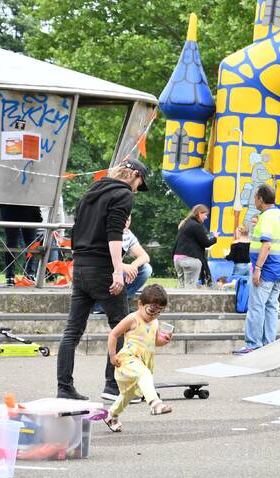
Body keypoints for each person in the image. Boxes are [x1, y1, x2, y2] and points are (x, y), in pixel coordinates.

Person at [56, 159, 148, 401]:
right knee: (123, 325)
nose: (137, 189)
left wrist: (80, 260)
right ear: (135, 175)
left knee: (72, 331)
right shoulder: (123, 194)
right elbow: (114, 234)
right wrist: (118, 270)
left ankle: (64, 388)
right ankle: (113, 386)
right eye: (139, 183)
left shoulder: (90, 192)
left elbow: (76, 232)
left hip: (81, 267)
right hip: (103, 268)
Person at [103, 284, 174, 431]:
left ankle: (111, 415)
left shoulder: (154, 322)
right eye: (151, 311)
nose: (154, 315)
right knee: (144, 374)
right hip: (128, 360)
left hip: (143, 362)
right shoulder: (132, 318)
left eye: (159, 312)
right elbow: (113, 334)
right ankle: (155, 404)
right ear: (140, 304)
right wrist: (112, 355)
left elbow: (154, 342)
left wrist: (165, 340)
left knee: (127, 395)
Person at [233, 185, 280, 355]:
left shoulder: (266, 217)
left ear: (260, 199)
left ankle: (253, 344)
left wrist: (257, 268)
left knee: (256, 306)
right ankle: (269, 344)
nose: (254, 200)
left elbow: (266, 245)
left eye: (255, 198)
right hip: (278, 269)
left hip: (265, 270)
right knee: (271, 307)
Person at [173, 204, 216, 288]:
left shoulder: (185, 223)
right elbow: (206, 243)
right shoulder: (196, 225)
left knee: (181, 287)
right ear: (200, 213)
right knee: (190, 288)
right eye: (205, 214)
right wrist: (215, 238)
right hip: (190, 259)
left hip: (177, 259)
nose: (206, 217)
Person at [0, 203, 42, 286]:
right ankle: (29, 274)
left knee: (12, 242)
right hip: (28, 207)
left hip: (10, 207)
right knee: (29, 242)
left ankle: (10, 276)